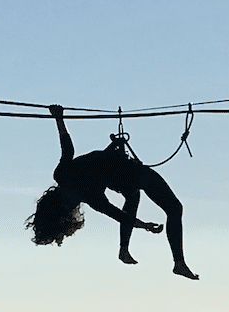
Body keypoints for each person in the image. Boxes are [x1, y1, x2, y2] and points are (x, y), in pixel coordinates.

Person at [25, 104, 198, 281]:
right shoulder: (91, 196)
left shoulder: (64, 175)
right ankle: (177, 262)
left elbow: (70, 149)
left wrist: (58, 118)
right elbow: (119, 215)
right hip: (129, 173)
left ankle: (127, 251)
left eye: (68, 205)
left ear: (58, 200)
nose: (73, 204)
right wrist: (144, 225)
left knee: (134, 196)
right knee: (173, 208)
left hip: (122, 174)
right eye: (70, 208)